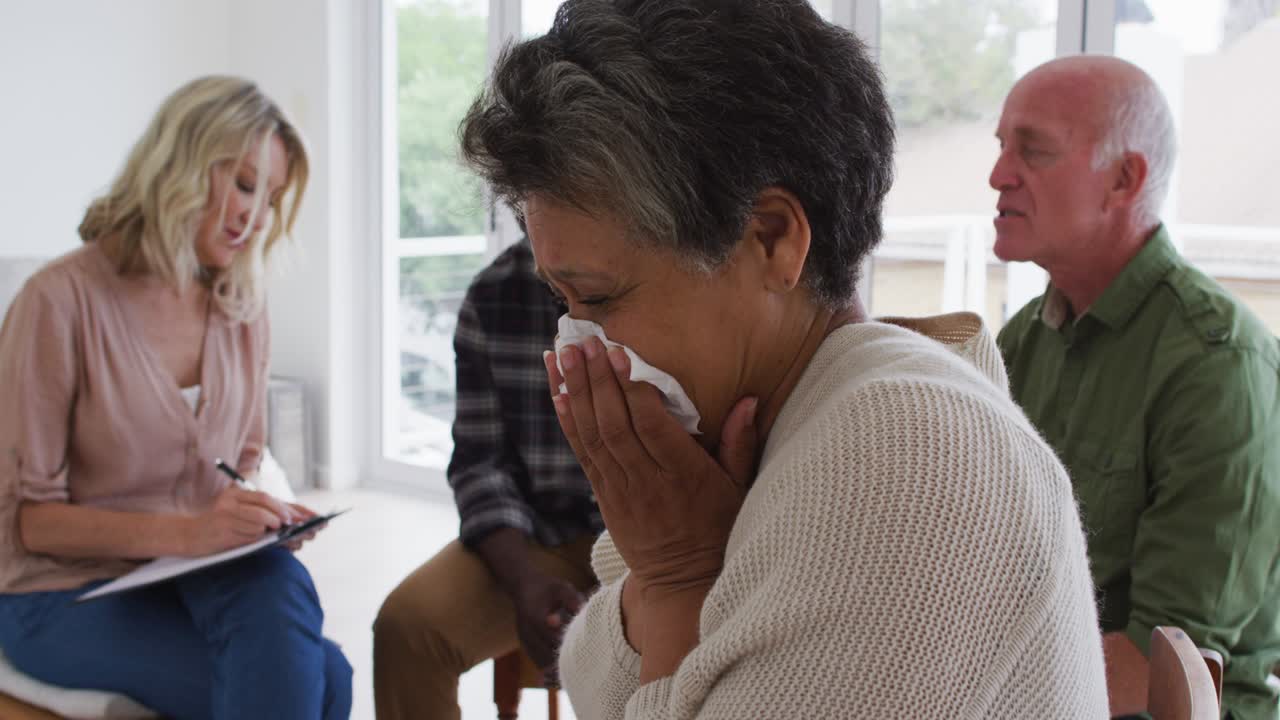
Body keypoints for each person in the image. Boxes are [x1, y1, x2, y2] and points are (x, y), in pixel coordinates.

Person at [457, 1, 1109, 717]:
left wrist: (678, 582)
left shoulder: (902, 456)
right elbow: (589, 674)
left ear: (771, 238)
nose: (577, 345)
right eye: (563, 301)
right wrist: (665, 573)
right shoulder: (769, 423)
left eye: (601, 298)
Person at [0, 76, 352, 720]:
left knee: (280, 585)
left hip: (186, 570)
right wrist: (191, 532)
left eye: (271, 198)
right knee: (325, 678)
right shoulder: (57, 302)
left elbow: (238, 464)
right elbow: (31, 522)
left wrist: (257, 517)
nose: (256, 216)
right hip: (60, 592)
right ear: (181, 165)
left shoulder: (242, 308)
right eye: (245, 184)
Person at [991, 55, 1280, 719]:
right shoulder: (1023, 340)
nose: (998, 175)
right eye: (1002, 146)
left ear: (1124, 180)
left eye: (1032, 150)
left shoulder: (1219, 365)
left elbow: (1163, 667)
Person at [372, 239, 603, 719]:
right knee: (407, 629)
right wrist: (523, 582)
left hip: (657, 533)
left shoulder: (669, 271)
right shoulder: (492, 295)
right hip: (544, 535)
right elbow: (480, 463)